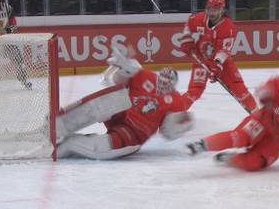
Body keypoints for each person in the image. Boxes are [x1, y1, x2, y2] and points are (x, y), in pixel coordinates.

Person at [186, 59, 279, 172]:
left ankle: (229, 158)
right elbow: (264, 90)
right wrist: (267, 98)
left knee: (254, 163)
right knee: (241, 137)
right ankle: (202, 145)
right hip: (263, 121)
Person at [56, 48, 194, 160]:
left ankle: (63, 147)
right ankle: (60, 124)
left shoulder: (176, 101)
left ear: (174, 85)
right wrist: (125, 69)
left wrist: (178, 124)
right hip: (121, 115)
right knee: (113, 99)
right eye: (162, 79)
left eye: (168, 82)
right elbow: (115, 81)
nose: (163, 83)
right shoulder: (146, 76)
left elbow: (167, 133)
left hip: (134, 134)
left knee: (88, 145)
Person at [179, 0, 256, 112]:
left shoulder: (228, 27)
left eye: (215, 10)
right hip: (201, 59)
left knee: (239, 89)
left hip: (223, 63)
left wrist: (217, 65)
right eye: (209, 9)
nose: (211, 12)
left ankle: (257, 115)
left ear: (222, 10)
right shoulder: (199, 18)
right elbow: (188, 24)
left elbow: (224, 50)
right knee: (195, 90)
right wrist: (186, 39)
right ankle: (175, 112)